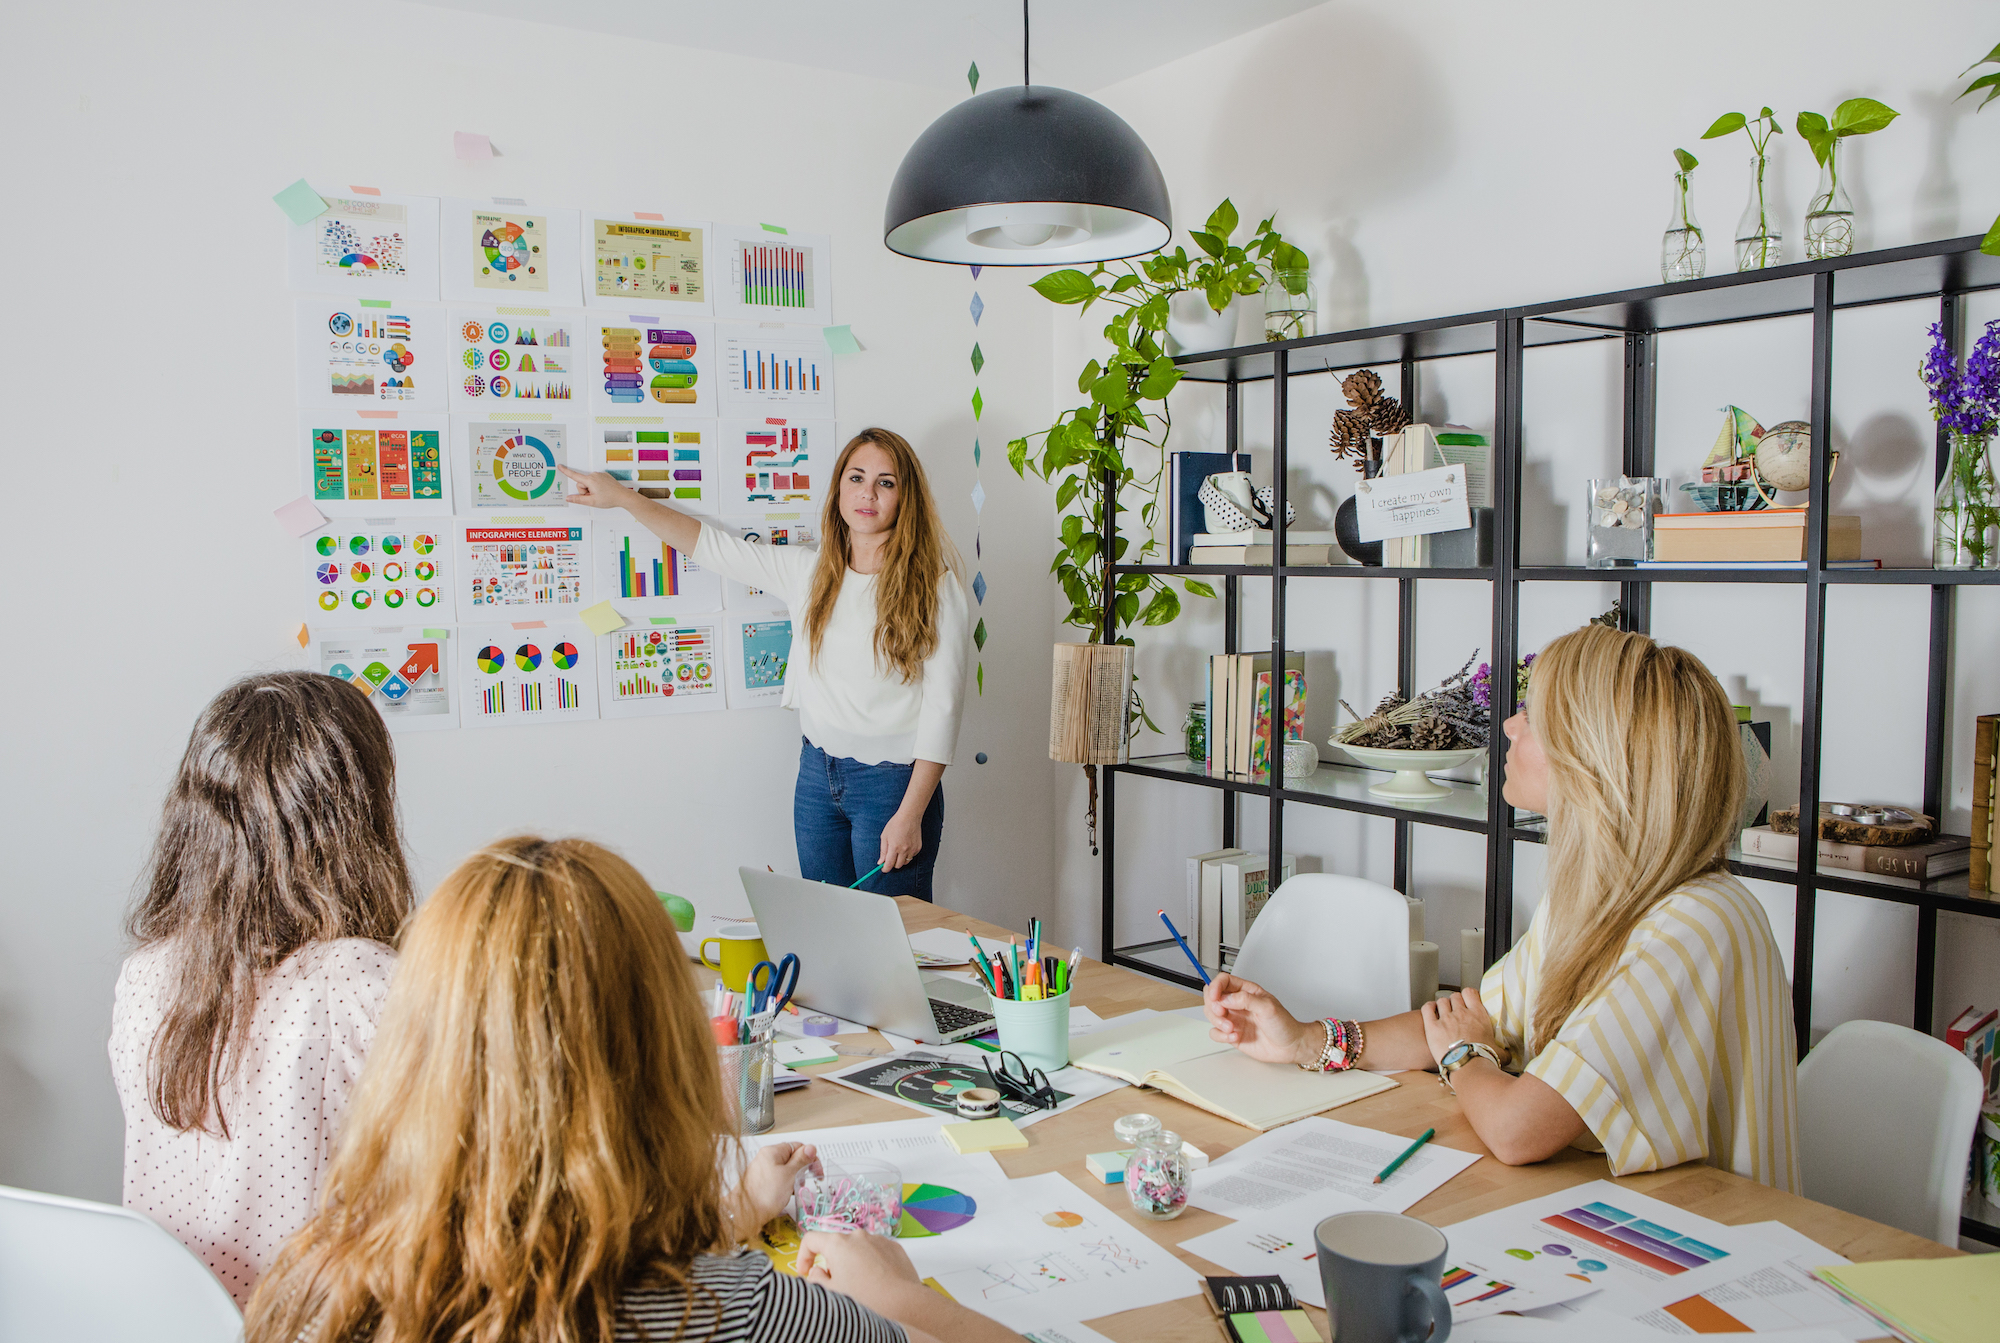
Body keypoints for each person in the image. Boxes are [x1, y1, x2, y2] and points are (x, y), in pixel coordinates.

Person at [244, 836, 1024, 1343]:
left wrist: (732, 1215)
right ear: (663, 1064)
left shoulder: (313, 1288)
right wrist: (903, 1295)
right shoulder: (738, 1311)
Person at [1204, 624, 1800, 1191]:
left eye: (1535, 717)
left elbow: (1517, 1128)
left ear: (1597, 760)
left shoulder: (1695, 923)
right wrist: (1305, 1042)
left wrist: (1467, 1056)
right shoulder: (1596, 900)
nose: (1510, 725)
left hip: (1715, 1246)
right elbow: (1450, 1023)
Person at [559, 428, 969, 900]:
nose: (868, 494)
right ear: (839, 488)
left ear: (905, 497)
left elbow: (944, 710)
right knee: (827, 927)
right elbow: (709, 546)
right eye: (856, 478)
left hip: (892, 785)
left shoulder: (936, 587)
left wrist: (910, 813)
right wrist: (624, 499)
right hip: (818, 775)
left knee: (898, 940)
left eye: (886, 482)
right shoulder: (810, 573)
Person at [110, 671, 414, 1304]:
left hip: (181, 1321)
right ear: (358, 817)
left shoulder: (148, 974)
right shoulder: (359, 983)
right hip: (321, 1321)